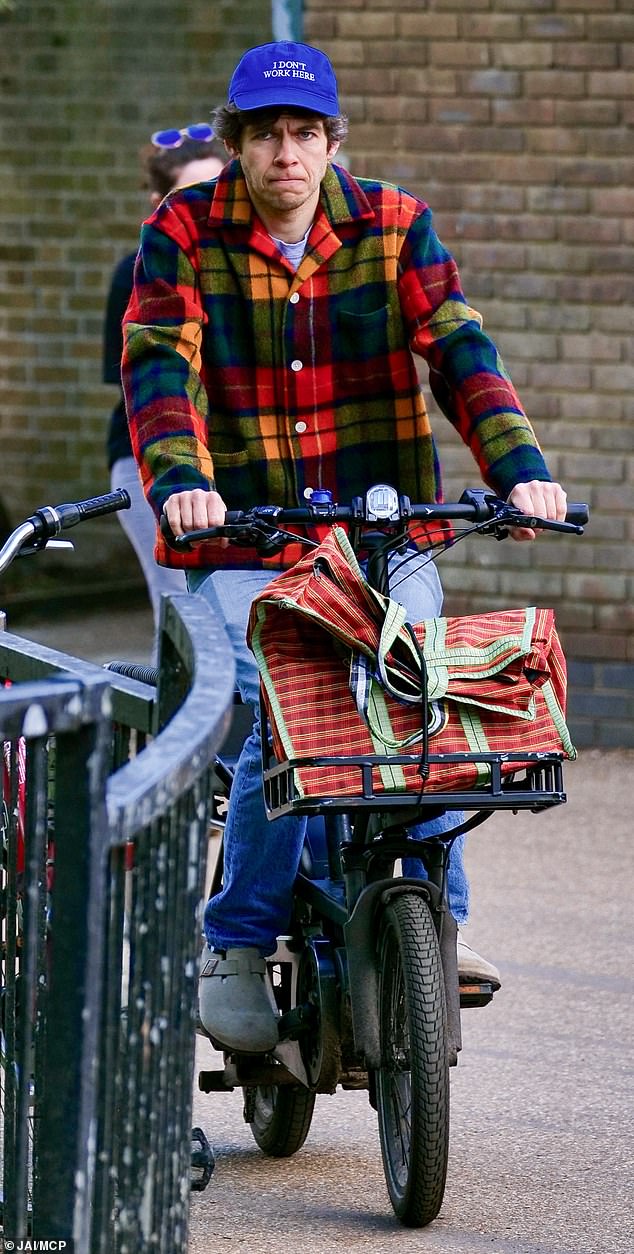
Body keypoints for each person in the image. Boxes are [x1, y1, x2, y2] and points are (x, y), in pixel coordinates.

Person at [122, 41, 568, 1054]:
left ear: (331, 140)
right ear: (237, 142)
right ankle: (235, 940)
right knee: (281, 706)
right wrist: (184, 488)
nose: (287, 151)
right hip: (245, 539)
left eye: (305, 132)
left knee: (417, 693)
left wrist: (518, 468)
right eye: (268, 133)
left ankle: (431, 914)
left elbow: (458, 348)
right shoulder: (183, 231)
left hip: (378, 529)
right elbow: (160, 368)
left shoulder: (395, 224)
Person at [103, 126, 226, 655]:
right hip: (148, 457)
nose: (206, 208)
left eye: (218, 191)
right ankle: (179, 732)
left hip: (225, 455)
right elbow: (144, 383)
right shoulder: (139, 272)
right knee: (182, 609)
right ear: (159, 204)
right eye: (190, 194)